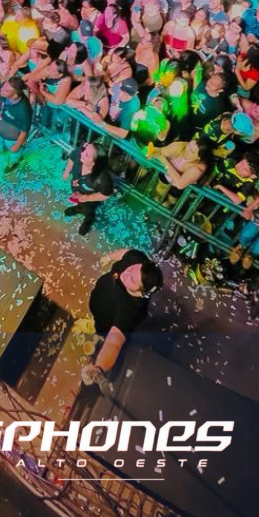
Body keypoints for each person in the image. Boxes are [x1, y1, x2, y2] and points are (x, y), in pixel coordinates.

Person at [82, 249, 163, 392]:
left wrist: (99, 368)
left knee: (102, 330)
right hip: (100, 297)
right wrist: (109, 257)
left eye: (132, 280)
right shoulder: (136, 259)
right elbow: (126, 253)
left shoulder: (130, 313)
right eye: (132, 269)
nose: (126, 273)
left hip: (106, 319)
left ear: (141, 293)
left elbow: (113, 343)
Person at [62, 141, 114, 235]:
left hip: (90, 197)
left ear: (95, 163)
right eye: (84, 150)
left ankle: (88, 219)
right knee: (78, 201)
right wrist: (67, 170)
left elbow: (106, 194)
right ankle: (79, 208)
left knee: (88, 209)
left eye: (87, 154)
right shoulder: (80, 154)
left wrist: (86, 198)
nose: (82, 153)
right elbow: (72, 157)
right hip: (77, 188)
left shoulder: (103, 179)